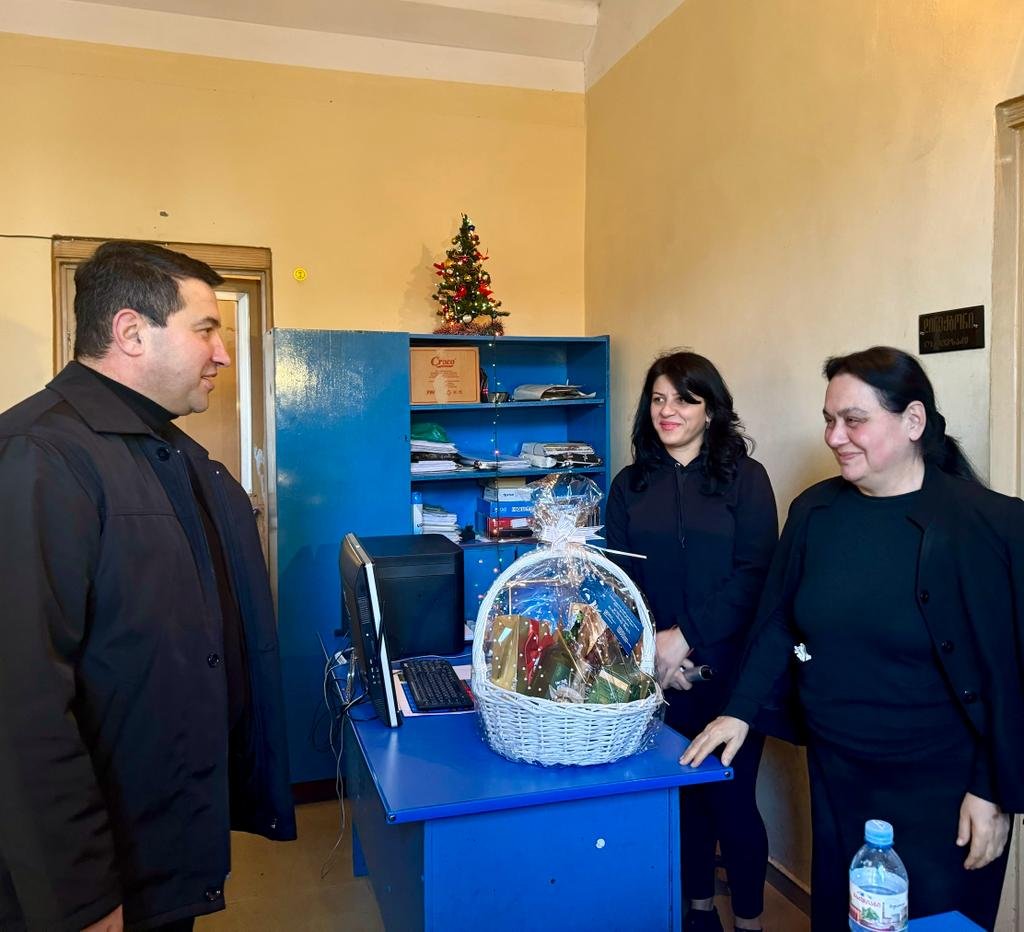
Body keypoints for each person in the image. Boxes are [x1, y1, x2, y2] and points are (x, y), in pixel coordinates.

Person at [0, 241, 296, 931]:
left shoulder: (164, 452)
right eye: (206, 329)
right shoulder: (39, 456)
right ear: (131, 331)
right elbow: (19, 703)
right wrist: (79, 896)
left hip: (158, 842)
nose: (222, 354)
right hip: (92, 876)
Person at [681, 346, 1024, 930]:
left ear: (913, 421)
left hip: (946, 790)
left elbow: (1010, 674)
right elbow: (780, 621)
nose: (835, 437)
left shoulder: (989, 524)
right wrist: (739, 711)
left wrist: (993, 792)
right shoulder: (815, 512)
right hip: (838, 774)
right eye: (829, 420)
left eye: (854, 420)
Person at [604, 351, 778, 932]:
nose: (668, 410)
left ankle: (750, 921)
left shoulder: (746, 479)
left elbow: (755, 573)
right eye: (658, 399)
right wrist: (655, 649)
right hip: (658, 675)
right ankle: (699, 911)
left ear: (711, 410)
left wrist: (686, 639)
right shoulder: (630, 485)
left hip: (733, 674)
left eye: (684, 399)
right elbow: (618, 581)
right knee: (681, 797)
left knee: (732, 801)